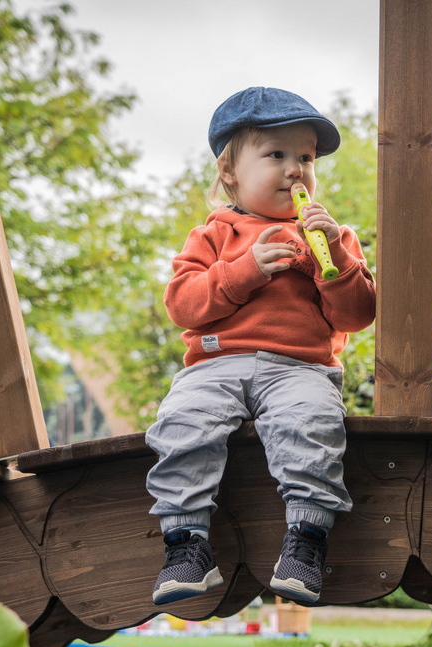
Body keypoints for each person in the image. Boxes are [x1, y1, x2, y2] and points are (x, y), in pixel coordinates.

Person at [145, 87, 376, 606]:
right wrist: (244, 271)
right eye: (277, 156)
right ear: (230, 171)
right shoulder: (212, 235)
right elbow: (183, 304)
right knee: (182, 424)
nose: (296, 171)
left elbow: (358, 316)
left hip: (300, 368)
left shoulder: (331, 236)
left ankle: (307, 540)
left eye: (307, 158)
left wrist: (332, 259)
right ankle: (186, 544)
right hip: (215, 363)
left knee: (312, 425)